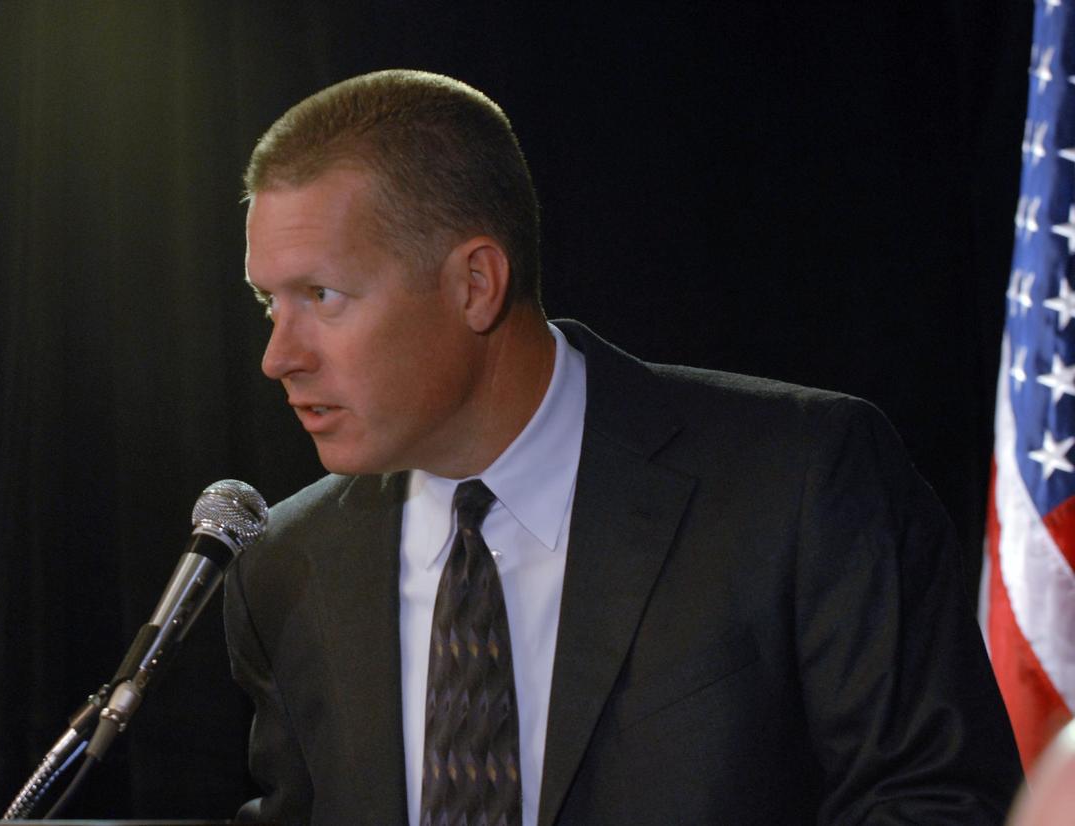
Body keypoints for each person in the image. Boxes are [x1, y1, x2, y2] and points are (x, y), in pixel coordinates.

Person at [222, 69, 1022, 826]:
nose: (279, 355)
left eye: (321, 297)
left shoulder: (801, 484)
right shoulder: (284, 567)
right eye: (269, 303)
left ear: (475, 283)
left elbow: (938, 803)